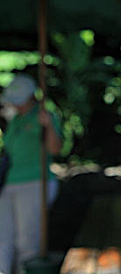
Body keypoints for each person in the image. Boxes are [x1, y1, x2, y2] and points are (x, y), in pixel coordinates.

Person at [0, 74, 62, 274]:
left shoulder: (43, 116)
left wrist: (48, 126)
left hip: (35, 182)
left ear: (31, 97)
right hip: (10, 183)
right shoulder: (16, 119)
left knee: (26, 241)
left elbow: (55, 149)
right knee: (4, 237)